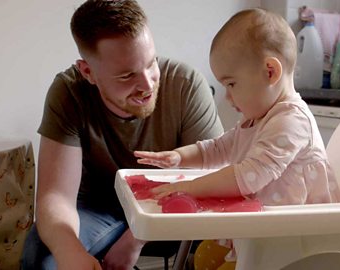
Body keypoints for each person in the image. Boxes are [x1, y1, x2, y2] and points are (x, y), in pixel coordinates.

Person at [20, 0, 224, 269]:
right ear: (88, 72)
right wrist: (70, 252)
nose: (147, 85)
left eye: (151, 64)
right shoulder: (69, 92)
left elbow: (214, 181)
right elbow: (55, 196)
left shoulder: (185, 84)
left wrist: (137, 236)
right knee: (44, 258)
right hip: (99, 209)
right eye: (127, 76)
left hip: (176, 204)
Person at [134, 8, 340, 268]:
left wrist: (188, 188)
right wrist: (179, 156)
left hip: (296, 243)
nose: (228, 97)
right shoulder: (258, 118)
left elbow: (248, 175)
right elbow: (219, 148)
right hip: (263, 228)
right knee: (203, 256)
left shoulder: (291, 120)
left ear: (270, 72)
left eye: (231, 84)